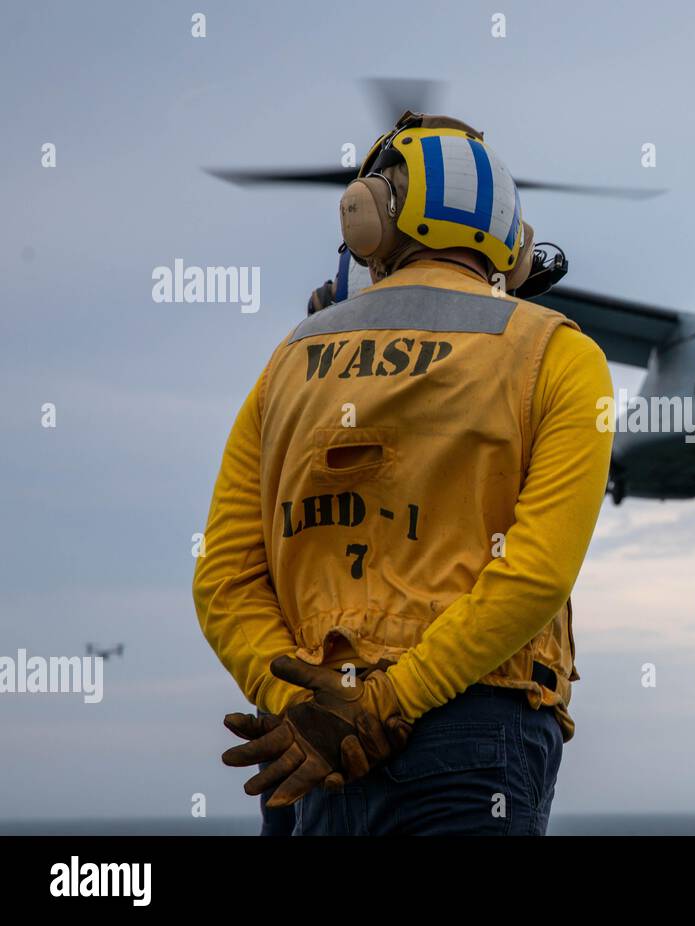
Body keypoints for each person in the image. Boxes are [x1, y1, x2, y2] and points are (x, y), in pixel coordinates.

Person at [193, 113, 613, 835]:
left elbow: (224, 575)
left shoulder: (286, 364)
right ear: (512, 239)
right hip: (469, 733)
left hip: (305, 749)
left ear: (367, 223)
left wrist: (302, 708)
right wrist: (389, 702)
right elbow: (537, 573)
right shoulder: (560, 356)